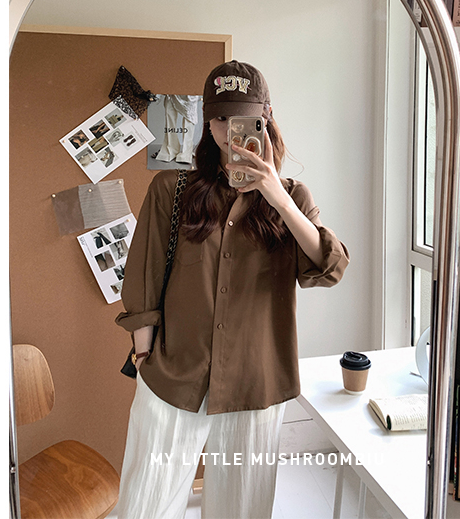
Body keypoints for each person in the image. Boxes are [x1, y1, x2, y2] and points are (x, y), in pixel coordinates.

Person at [115, 60, 349, 519]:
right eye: (220, 118)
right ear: (207, 123)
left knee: (240, 511)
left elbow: (329, 267)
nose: (229, 131)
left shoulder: (293, 198)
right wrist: (144, 358)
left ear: (265, 118)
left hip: (254, 383)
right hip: (173, 377)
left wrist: (275, 194)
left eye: (243, 119)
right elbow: (143, 277)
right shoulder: (171, 190)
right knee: (145, 507)